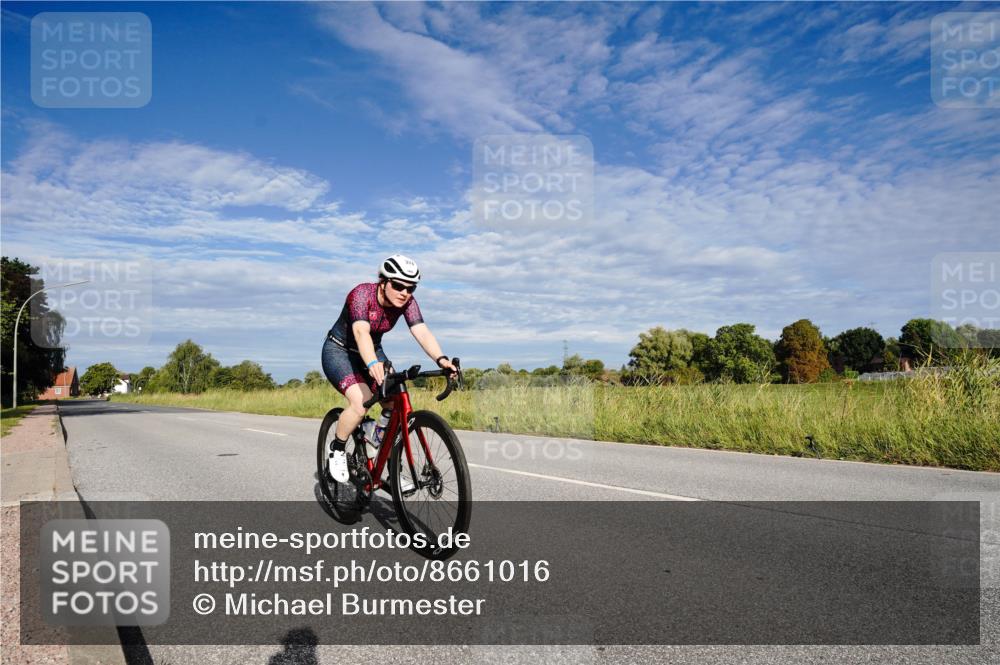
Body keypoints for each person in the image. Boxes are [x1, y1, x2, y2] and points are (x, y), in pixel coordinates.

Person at [321, 254, 456, 482]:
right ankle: (338, 448)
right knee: (361, 402)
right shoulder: (361, 294)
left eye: (411, 288)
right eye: (398, 286)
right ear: (383, 282)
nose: (405, 292)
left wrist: (442, 360)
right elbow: (360, 332)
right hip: (340, 351)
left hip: (373, 350)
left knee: (395, 404)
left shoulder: (407, 302)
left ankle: (390, 465)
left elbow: (421, 331)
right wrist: (372, 363)